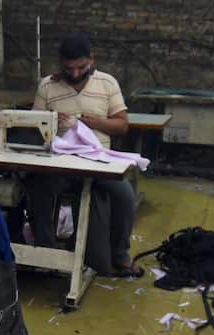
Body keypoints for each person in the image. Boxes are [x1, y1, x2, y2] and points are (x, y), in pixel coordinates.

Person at [27, 33, 140, 277]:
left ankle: (120, 255)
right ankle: (46, 253)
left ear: (91, 59)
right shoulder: (48, 86)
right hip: (60, 163)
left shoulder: (107, 83)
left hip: (99, 161)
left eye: (81, 67)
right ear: (59, 62)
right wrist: (55, 123)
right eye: (69, 68)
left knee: (125, 196)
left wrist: (97, 122)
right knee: (36, 188)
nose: (75, 74)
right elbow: (34, 125)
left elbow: (122, 125)